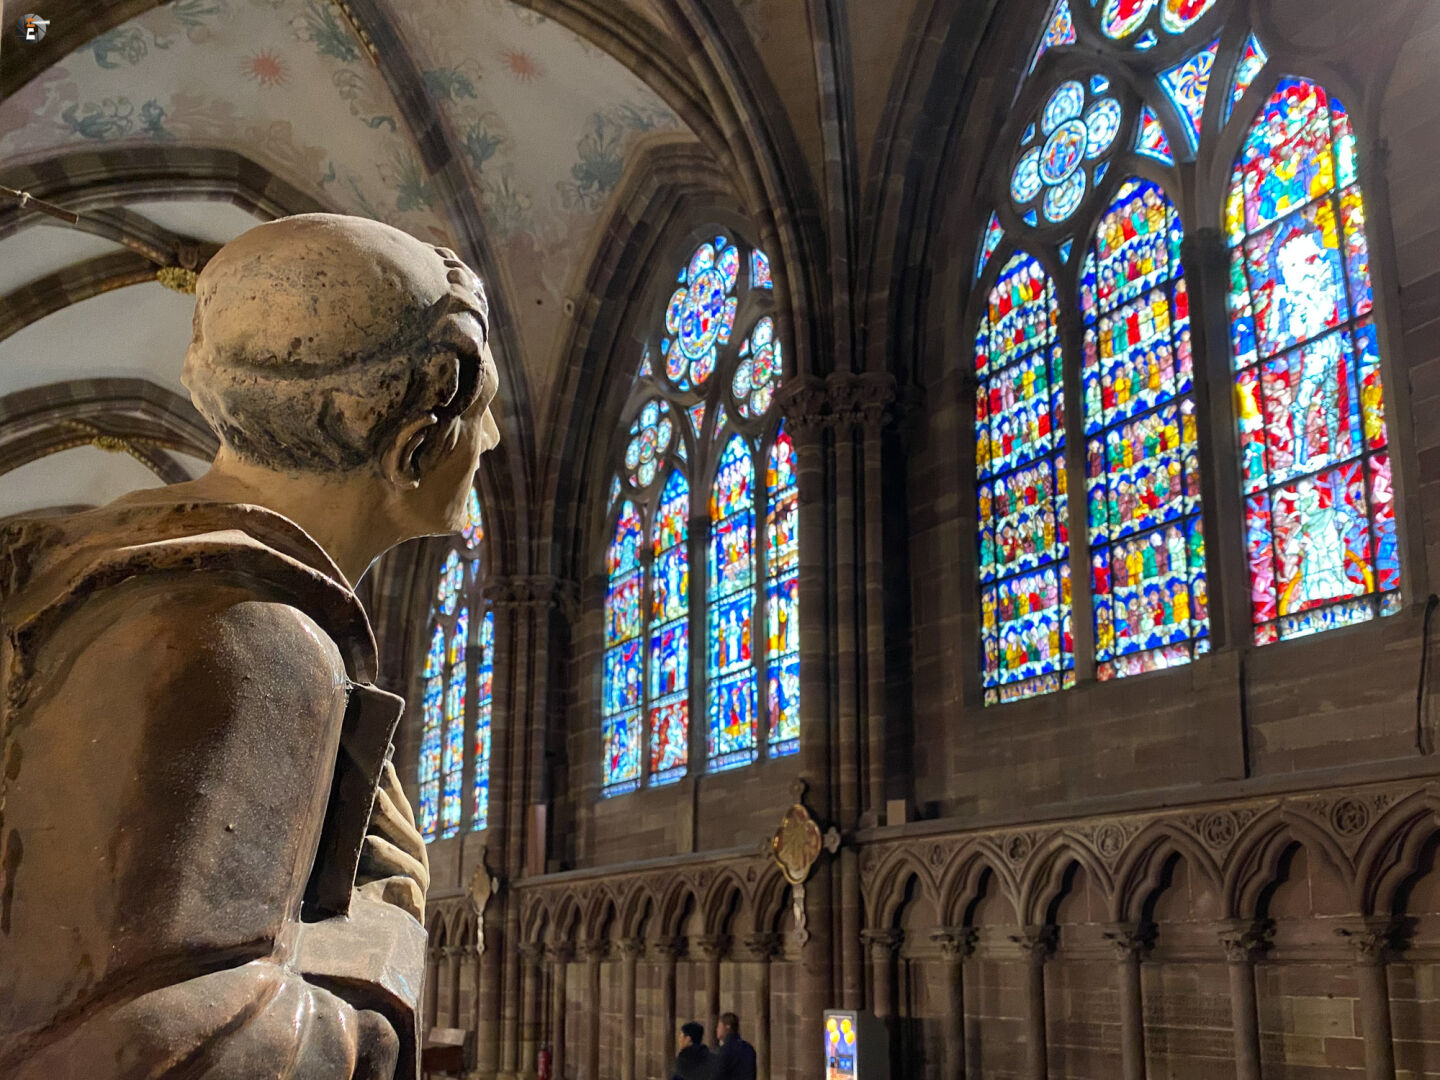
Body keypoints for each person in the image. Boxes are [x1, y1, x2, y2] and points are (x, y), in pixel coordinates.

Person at [0, 214, 501, 1079]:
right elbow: (170, 1049)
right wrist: (389, 921)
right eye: (479, 414)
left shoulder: (91, 571)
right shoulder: (253, 632)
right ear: (412, 440)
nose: (489, 442)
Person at [714, 1012, 758, 1080]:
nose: (717, 1030)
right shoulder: (749, 1048)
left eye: (719, 1026)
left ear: (727, 1027)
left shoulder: (723, 1051)